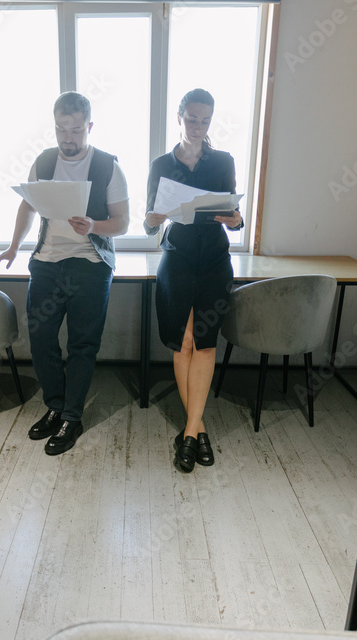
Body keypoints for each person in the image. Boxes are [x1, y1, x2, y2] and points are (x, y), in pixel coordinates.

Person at [0, 92, 129, 456]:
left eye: (76, 130)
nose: (68, 137)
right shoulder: (44, 161)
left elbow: (122, 222)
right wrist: (13, 247)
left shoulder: (108, 166)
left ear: (89, 127)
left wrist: (94, 225)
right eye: (61, 129)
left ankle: (72, 417)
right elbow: (28, 206)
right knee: (40, 338)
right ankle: (55, 406)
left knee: (82, 345)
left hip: (90, 264)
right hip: (47, 262)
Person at [144, 88, 243, 473]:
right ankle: (197, 429)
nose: (198, 127)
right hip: (178, 256)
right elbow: (149, 222)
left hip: (214, 258)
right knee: (183, 341)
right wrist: (152, 219)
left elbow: (234, 216)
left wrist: (237, 220)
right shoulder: (161, 164)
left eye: (205, 121)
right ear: (180, 118)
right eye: (192, 119)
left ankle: (188, 433)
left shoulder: (223, 161)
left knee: (204, 342)